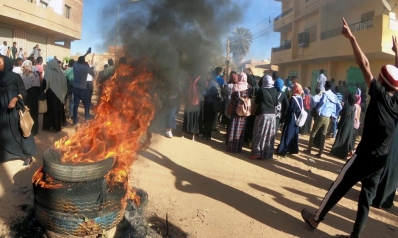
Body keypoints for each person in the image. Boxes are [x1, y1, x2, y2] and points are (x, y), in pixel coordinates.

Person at [301, 19, 398, 238]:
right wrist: (397, 56)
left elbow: (364, 64)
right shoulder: (396, 101)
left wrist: (352, 38)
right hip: (380, 161)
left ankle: (316, 219)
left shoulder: (379, 95)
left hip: (363, 156)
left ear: (381, 81)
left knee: (338, 187)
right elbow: (395, 79)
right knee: (365, 201)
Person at [0, 56, 37, 165]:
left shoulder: (15, 77)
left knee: (20, 131)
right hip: (1, 111)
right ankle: (5, 155)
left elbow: (23, 92)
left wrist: (16, 99)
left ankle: (28, 155)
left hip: (14, 110)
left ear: (6, 63)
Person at [304, 81, 341, 158]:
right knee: (323, 134)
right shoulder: (334, 96)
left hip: (321, 115)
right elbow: (339, 107)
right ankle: (320, 153)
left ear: (325, 86)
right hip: (328, 117)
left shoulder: (325, 94)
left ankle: (309, 149)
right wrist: (334, 113)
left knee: (313, 132)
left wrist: (318, 110)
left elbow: (322, 102)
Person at [250, 75, 277, 160]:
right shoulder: (275, 90)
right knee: (269, 135)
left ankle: (257, 152)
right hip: (272, 115)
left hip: (263, 115)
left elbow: (257, 101)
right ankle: (266, 153)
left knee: (259, 133)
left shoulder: (261, 90)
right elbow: (276, 103)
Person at [276, 82, 304, 156]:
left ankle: (283, 150)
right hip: (297, 119)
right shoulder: (300, 98)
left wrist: (284, 117)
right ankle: (293, 149)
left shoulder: (293, 98)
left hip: (291, 118)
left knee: (287, 134)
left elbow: (289, 109)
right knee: (294, 134)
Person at [226, 72, 250, 153]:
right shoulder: (248, 87)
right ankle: (238, 148)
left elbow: (232, 99)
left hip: (235, 111)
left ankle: (231, 147)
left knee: (233, 128)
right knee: (240, 131)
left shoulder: (235, 87)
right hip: (244, 111)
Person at [42, 59, 67, 132]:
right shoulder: (61, 73)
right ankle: (57, 127)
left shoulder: (48, 72)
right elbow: (64, 84)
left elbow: (45, 82)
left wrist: (42, 89)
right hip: (59, 95)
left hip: (50, 93)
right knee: (57, 111)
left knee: (49, 110)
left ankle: (49, 126)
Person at [330, 93, 357, 159]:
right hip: (350, 125)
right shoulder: (354, 107)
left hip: (344, 123)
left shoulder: (346, 105)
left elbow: (341, 112)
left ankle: (335, 151)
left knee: (341, 137)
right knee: (346, 139)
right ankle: (343, 153)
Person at [20, 60, 41, 136]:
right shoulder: (34, 75)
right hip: (29, 96)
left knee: (32, 113)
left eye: (26, 67)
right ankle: (27, 129)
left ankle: (33, 130)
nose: (25, 68)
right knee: (26, 113)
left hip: (30, 96)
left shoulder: (23, 75)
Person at [72, 53, 94, 125]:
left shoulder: (75, 66)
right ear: (84, 61)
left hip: (75, 88)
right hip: (83, 89)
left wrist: (86, 53)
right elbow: (93, 73)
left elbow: (78, 61)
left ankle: (75, 121)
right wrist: (87, 65)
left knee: (76, 105)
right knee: (86, 104)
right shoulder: (85, 67)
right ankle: (87, 119)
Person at [182, 75, 205, 140]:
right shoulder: (201, 78)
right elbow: (203, 90)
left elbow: (184, 89)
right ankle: (193, 135)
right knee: (195, 117)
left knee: (187, 116)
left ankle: (184, 133)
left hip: (188, 99)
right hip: (197, 100)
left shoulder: (188, 77)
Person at [245, 67, 259, 148]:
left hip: (248, 107)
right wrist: (252, 72)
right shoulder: (257, 87)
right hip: (254, 109)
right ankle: (251, 140)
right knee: (252, 125)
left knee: (248, 125)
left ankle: (248, 140)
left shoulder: (248, 88)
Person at [203, 73, 220, 140]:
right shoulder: (216, 84)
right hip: (214, 105)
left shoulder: (210, 84)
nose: (206, 76)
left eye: (207, 75)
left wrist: (202, 92)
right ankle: (208, 135)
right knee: (210, 121)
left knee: (206, 120)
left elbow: (206, 94)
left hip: (208, 103)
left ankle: (205, 135)